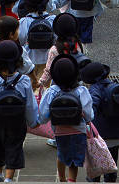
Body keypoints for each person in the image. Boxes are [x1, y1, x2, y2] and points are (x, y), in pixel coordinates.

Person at [0, 40, 39, 183]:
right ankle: (8, 178)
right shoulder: (24, 81)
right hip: (17, 123)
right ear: (19, 61)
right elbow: (30, 105)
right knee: (14, 147)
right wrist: (33, 121)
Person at [39, 55, 93, 184]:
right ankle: (71, 180)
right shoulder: (81, 91)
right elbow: (89, 115)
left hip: (59, 131)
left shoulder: (52, 91)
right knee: (74, 160)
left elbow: (43, 115)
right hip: (78, 130)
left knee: (61, 154)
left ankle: (62, 179)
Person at [81, 61, 119, 183]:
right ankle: (110, 179)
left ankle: (94, 179)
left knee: (95, 162)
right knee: (112, 160)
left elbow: (91, 110)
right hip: (118, 134)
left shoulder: (95, 89)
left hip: (100, 137)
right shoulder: (116, 86)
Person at [0, 15, 38, 90]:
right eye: (17, 30)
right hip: (16, 85)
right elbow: (28, 68)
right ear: (11, 34)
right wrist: (35, 80)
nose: (18, 32)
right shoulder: (19, 49)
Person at [39, 12, 89, 90]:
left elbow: (49, 71)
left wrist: (41, 82)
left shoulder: (54, 49)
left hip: (59, 85)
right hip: (77, 83)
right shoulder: (79, 44)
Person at [18, 0, 56, 83]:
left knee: (30, 90)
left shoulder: (23, 22)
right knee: (45, 92)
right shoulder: (53, 20)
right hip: (49, 64)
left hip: (29, 63)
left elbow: (21, 40)